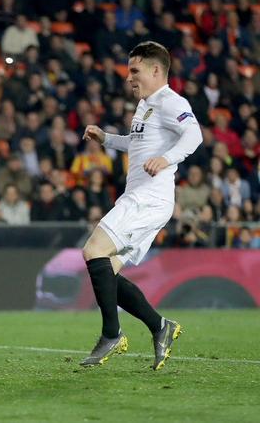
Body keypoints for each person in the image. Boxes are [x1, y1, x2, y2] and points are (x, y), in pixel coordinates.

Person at [80, 42, 202, 370]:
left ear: (156, 71)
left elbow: (194, 135)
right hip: (142, 198)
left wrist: (166, 159)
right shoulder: (145, 106)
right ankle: (160, 326)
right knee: (109, 273)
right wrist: (106, 138)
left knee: (93, 251)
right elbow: (137, 145)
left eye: (135, 70)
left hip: (149, 198)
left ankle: (111, 334)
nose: (128, 77)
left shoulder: (169, 101)